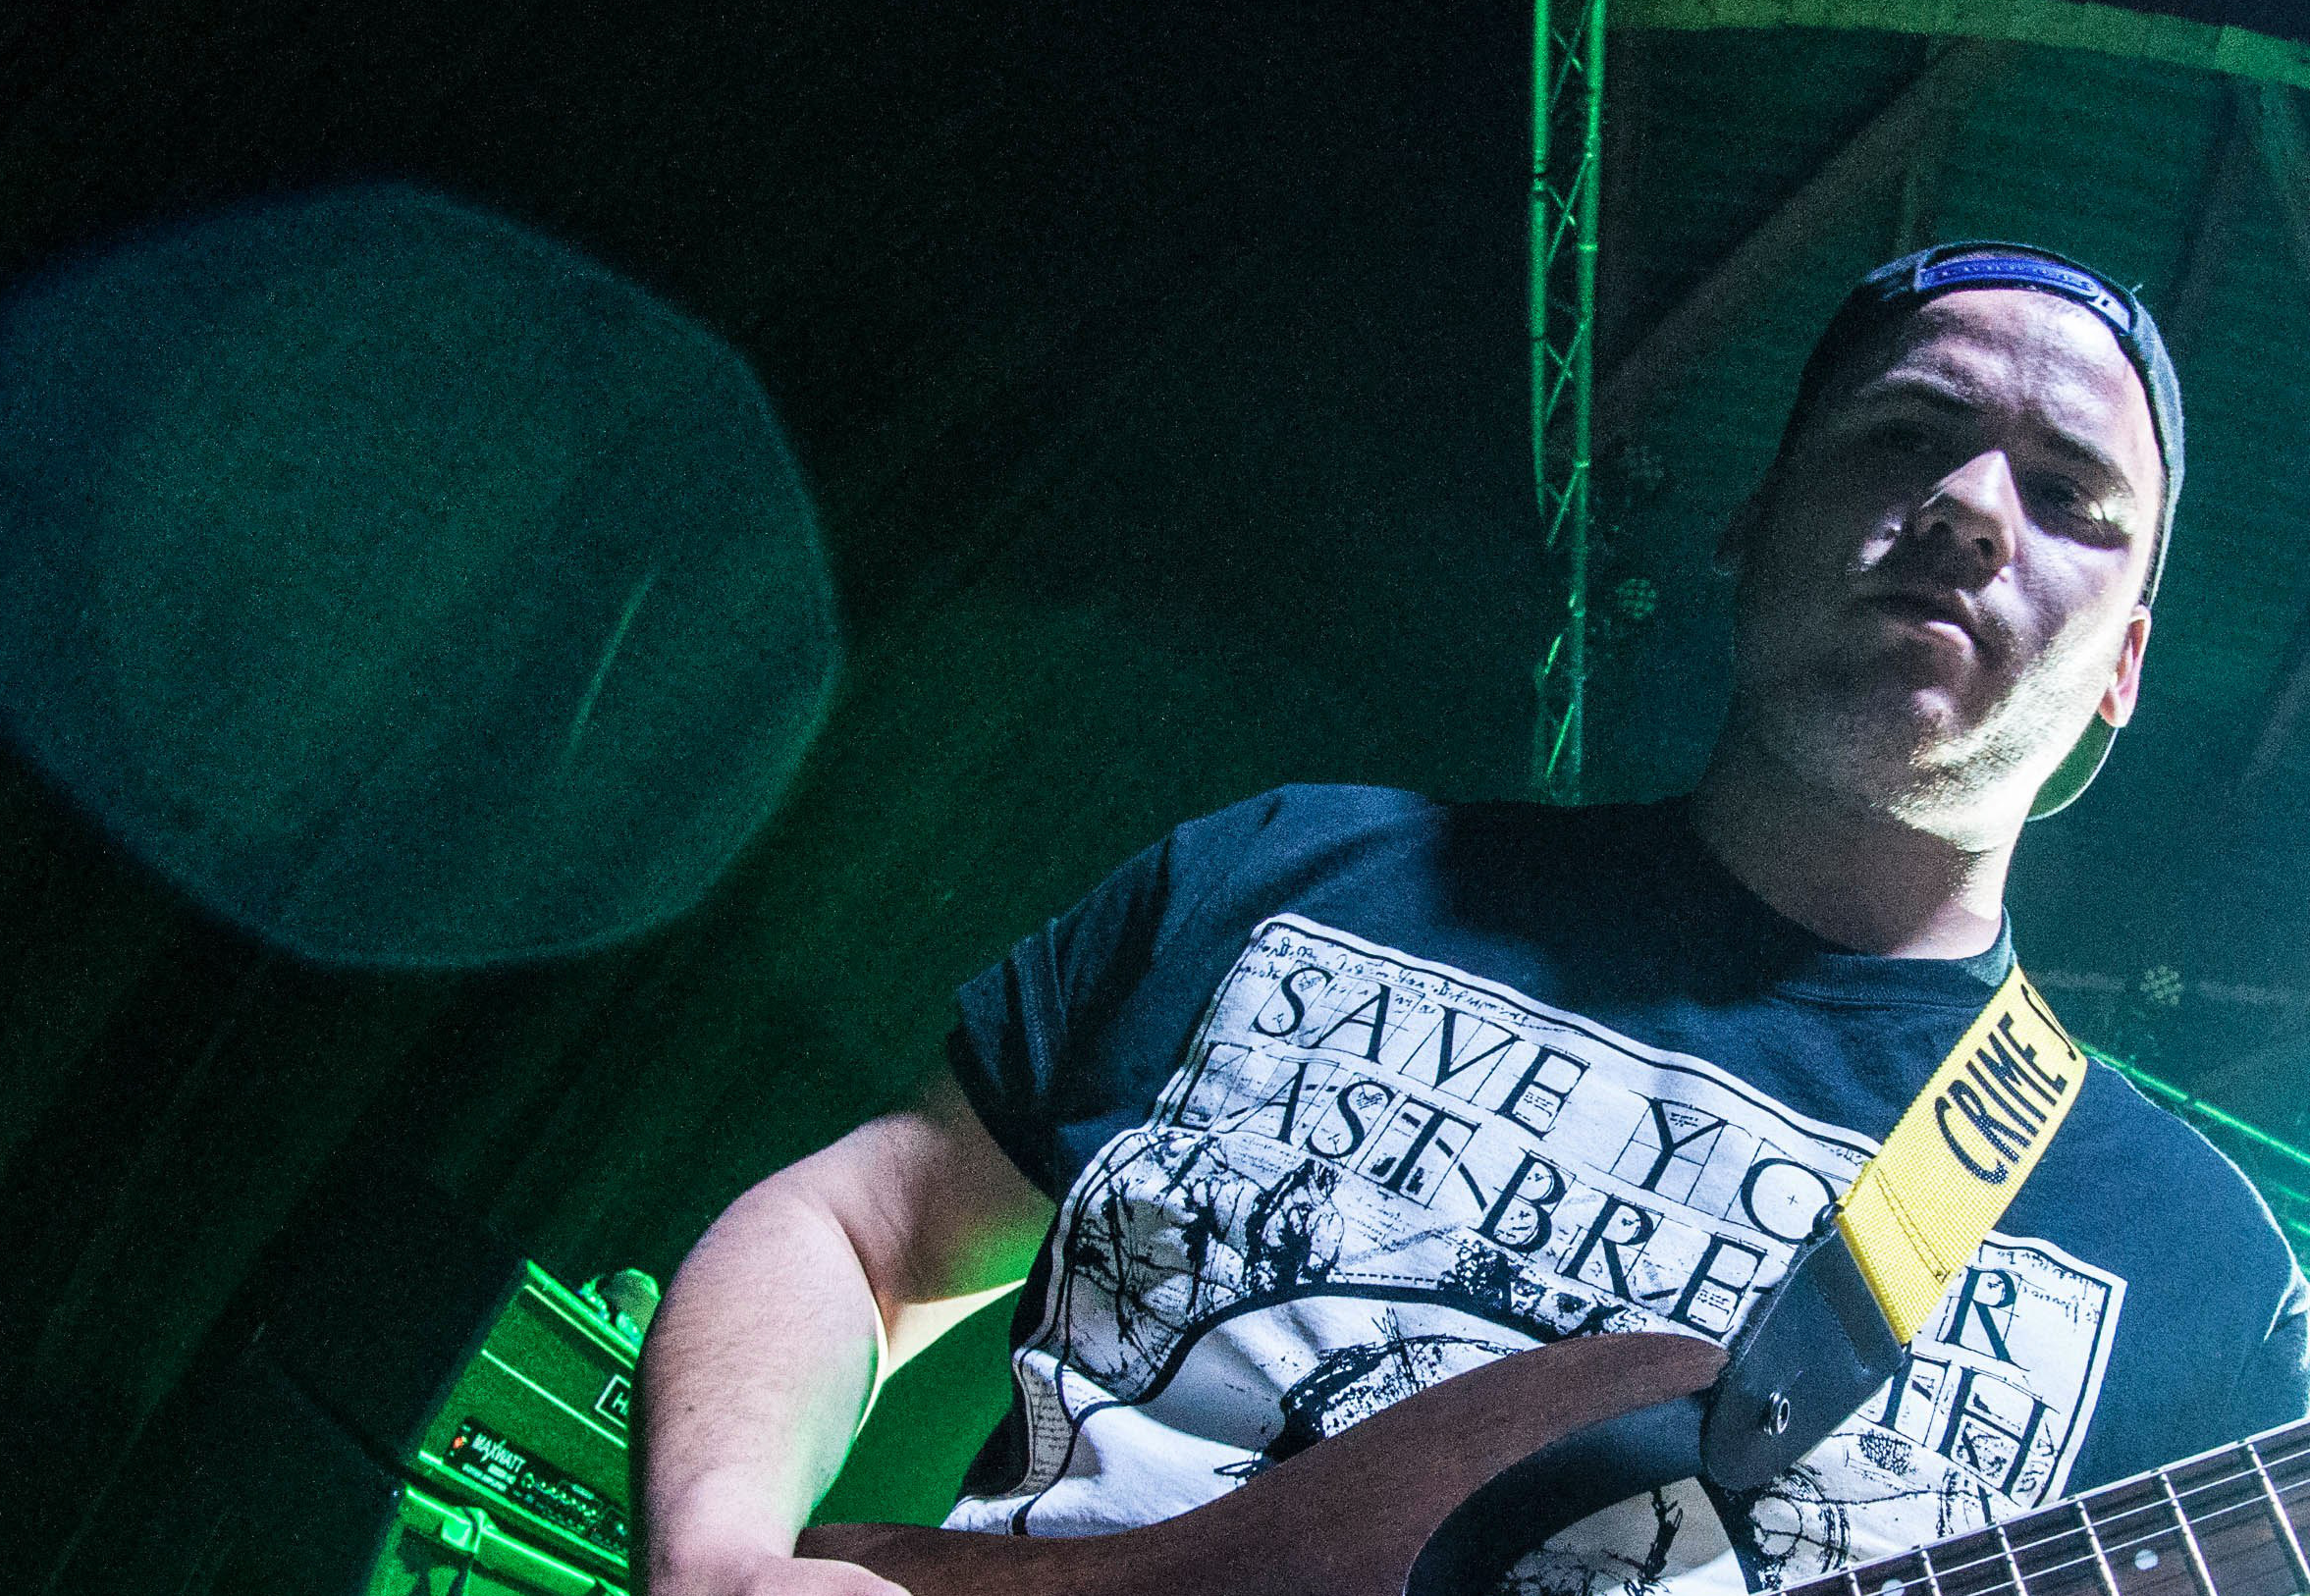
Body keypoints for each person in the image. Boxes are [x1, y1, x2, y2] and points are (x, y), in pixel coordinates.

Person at [636, 244, 2310, 1596]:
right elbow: (866, 1227)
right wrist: (716, 1551)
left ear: (2126, 668)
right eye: (1902, 435)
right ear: (1751, 520)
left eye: (2071, 497)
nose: (1971, 509)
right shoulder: (1304, 871)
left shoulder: (2195, 1270)